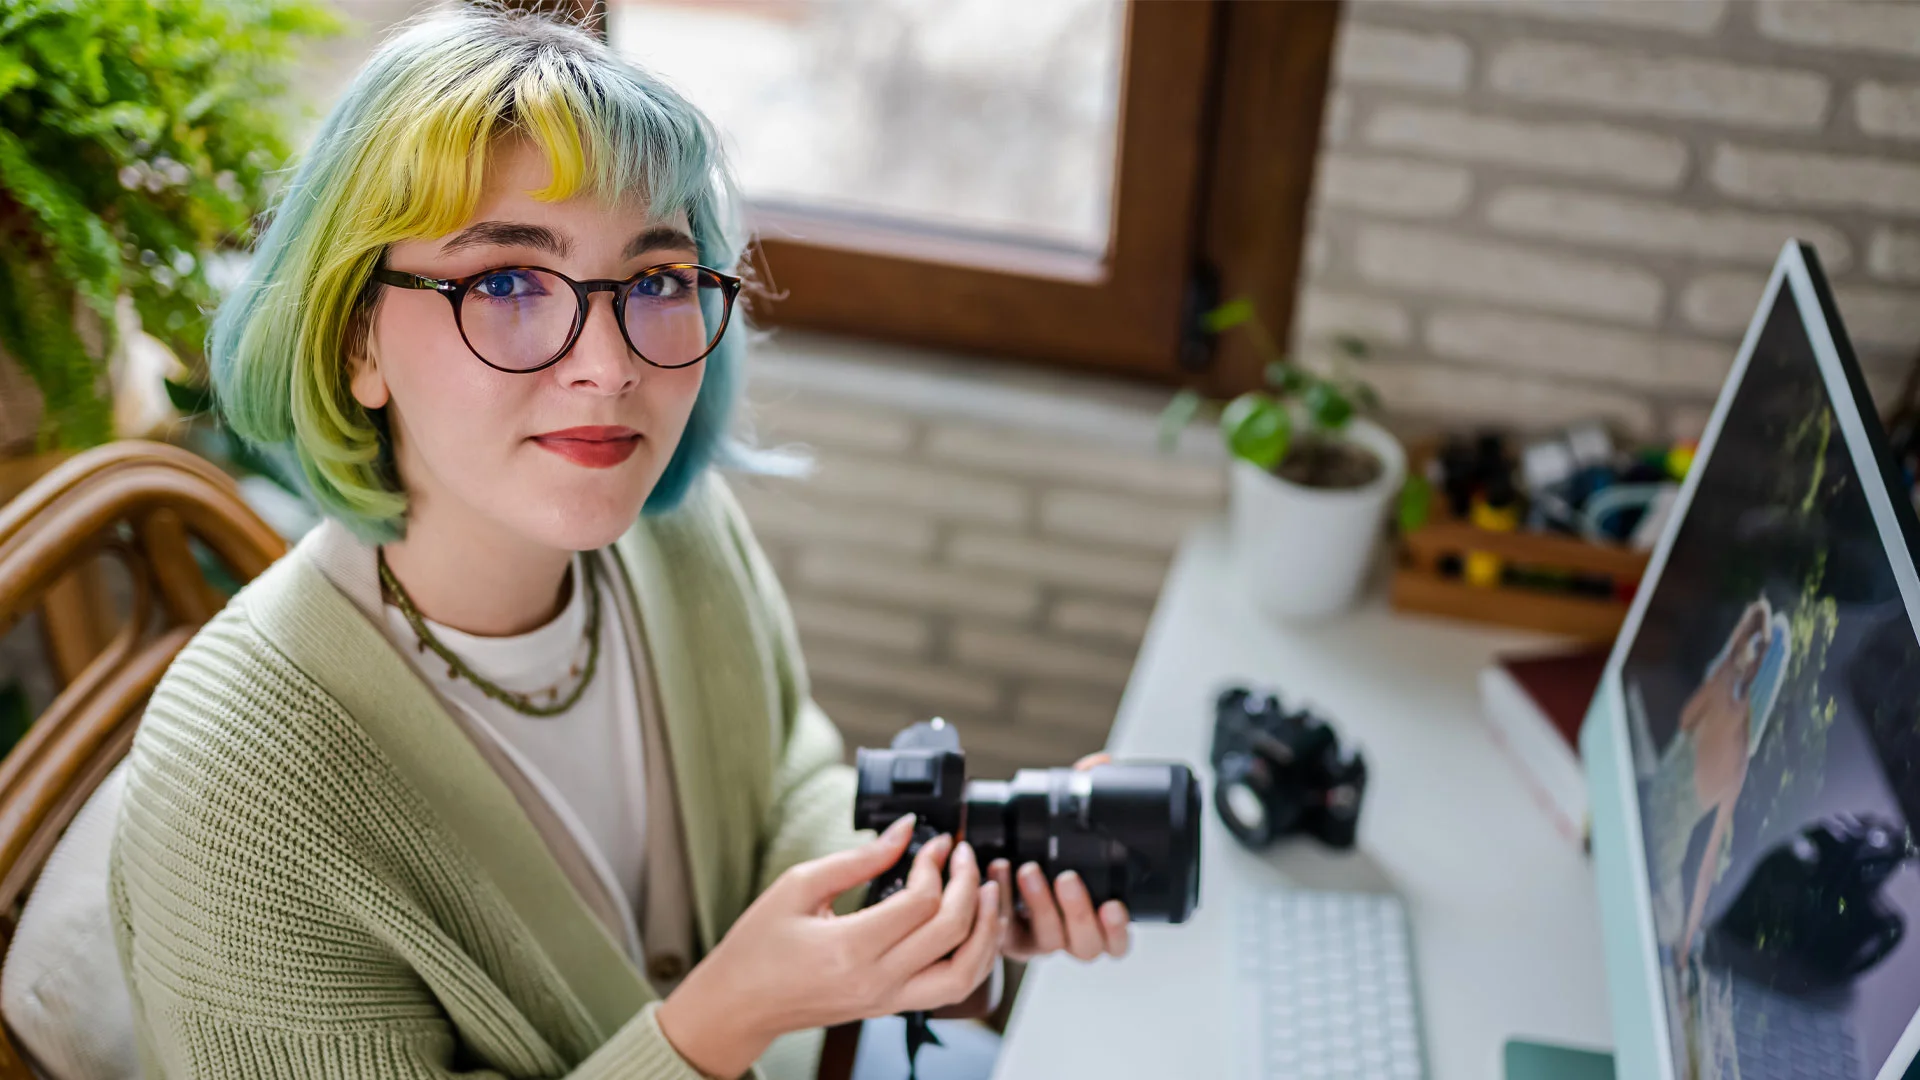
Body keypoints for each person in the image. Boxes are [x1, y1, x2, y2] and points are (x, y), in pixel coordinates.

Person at [106, 8, 1130, 1079]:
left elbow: (786, 781)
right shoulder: (237, 794)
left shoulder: (677, 538)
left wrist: (923, 906)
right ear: (357, 336)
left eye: (653, 282)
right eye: (504, 281)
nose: (608, 366)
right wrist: (711, 1028)